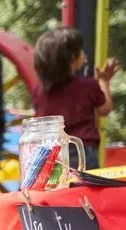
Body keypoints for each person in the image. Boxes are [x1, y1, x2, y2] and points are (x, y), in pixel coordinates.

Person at [31, 27, 118, 170]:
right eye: (81, 50)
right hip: (82, 151)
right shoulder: (88, 85)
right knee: (84, 191)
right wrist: (104, 81)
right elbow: (105, 109)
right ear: (73, 57)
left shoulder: (38, 91)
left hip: (50, 154)